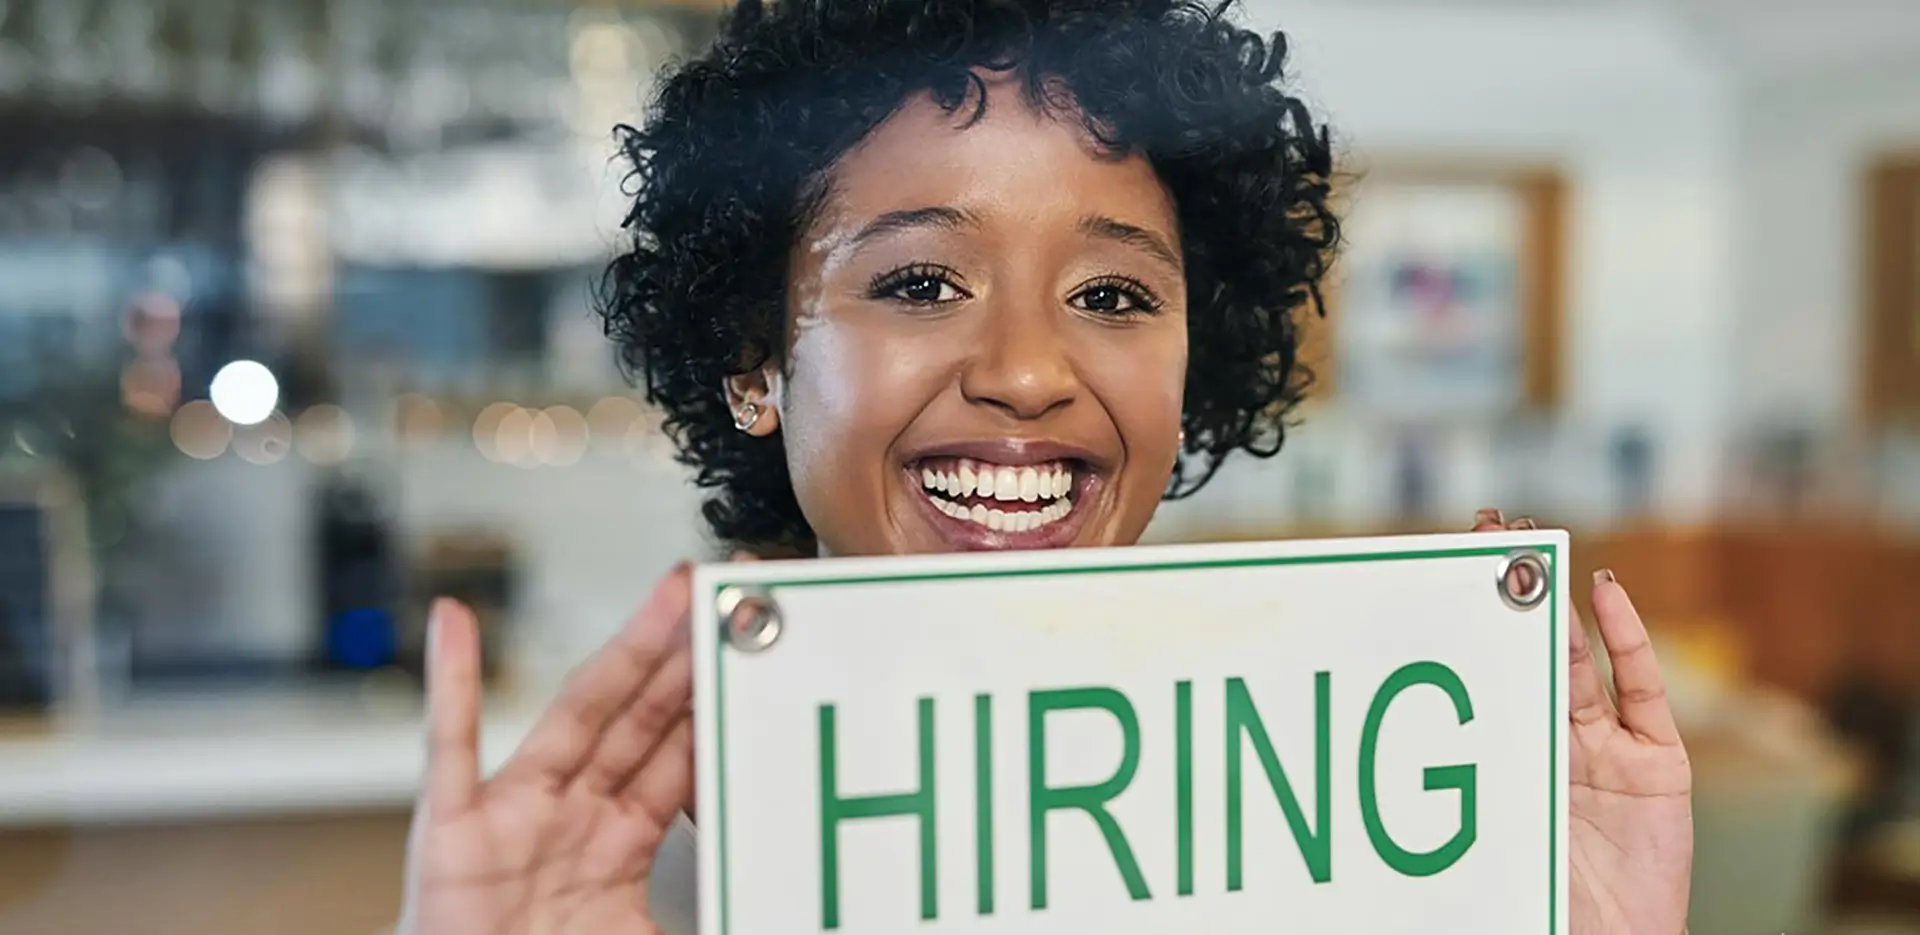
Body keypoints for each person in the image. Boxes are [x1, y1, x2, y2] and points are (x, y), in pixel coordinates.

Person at [398, 0, 1694, 932]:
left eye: (1116, 294)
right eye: (918, 280)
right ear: (755, 358)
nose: (1027, 370)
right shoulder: (630, 876)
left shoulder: (1327, 835)